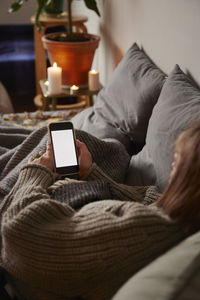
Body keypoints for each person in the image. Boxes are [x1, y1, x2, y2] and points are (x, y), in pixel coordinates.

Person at [0, 119, 200, 300]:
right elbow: (149, 199)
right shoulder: (177, 217)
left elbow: (18, 230)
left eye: (178, 162)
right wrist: (90, 172)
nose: (172, 163)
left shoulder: (146, 232)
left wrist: (36, 172)